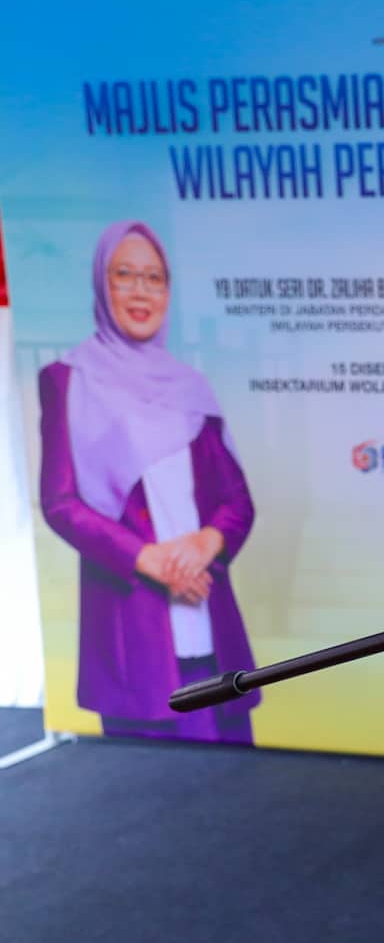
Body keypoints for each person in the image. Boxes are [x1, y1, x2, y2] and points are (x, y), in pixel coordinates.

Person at [38, 219, 261, 742]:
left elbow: (237, 500)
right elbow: (61, 502)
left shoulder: (190, 387)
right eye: (124, 274)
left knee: (238, 781)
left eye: (154, 278)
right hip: (134, 626)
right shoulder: (68, 379)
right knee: (152, 783)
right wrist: (149, 559)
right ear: (102, 283)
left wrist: (206, 543)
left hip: (208, 611)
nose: (141, 291)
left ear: (168, 291)